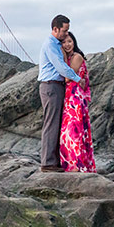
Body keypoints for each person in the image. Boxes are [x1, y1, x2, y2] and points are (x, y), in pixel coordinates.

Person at [38, 15, 87, 172]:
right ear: (55, 29)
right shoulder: (51, 45)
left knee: (57, 124)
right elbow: (61, 67)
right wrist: (78, 79)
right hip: (51, 86)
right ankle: (48, 163)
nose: (66, 34)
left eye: (68, 31)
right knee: (51, 124)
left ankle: (55, 161)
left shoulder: (56, 44)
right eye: (64, 31)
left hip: (55, 87)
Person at [59, 31, 97, 173]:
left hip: (76, 99)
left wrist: (61, 56)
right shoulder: (68, 57)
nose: (67, 44)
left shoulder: (77, 57)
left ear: (74, 42)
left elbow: (68, 77)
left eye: (69, 41)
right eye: (63, 42)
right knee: (67, 133)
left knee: (74, 132)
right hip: (69, 98)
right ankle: (70, 164)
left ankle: (77, 165)